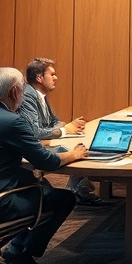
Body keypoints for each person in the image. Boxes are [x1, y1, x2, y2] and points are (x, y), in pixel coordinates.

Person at [0, 66, 88, 264]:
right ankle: (23, 254)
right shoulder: (13, 121)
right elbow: (47, 161)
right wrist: (73, 154)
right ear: (15, 92)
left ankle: (16, 247)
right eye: (23, 92)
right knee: (64, 198)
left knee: (40, 185)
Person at [18, 57, 102, 206]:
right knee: (76, 149)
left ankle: (78, 189)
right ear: (39, 78)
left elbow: (55, 121)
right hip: (30, 149)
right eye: (52, 74)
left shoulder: (40, 95)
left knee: (81, 146)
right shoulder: (28, 96)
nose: (56, 78)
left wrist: (67, 126)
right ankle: (78, 191)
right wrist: (65, 130)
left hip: (42, 142)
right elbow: (35, 132)